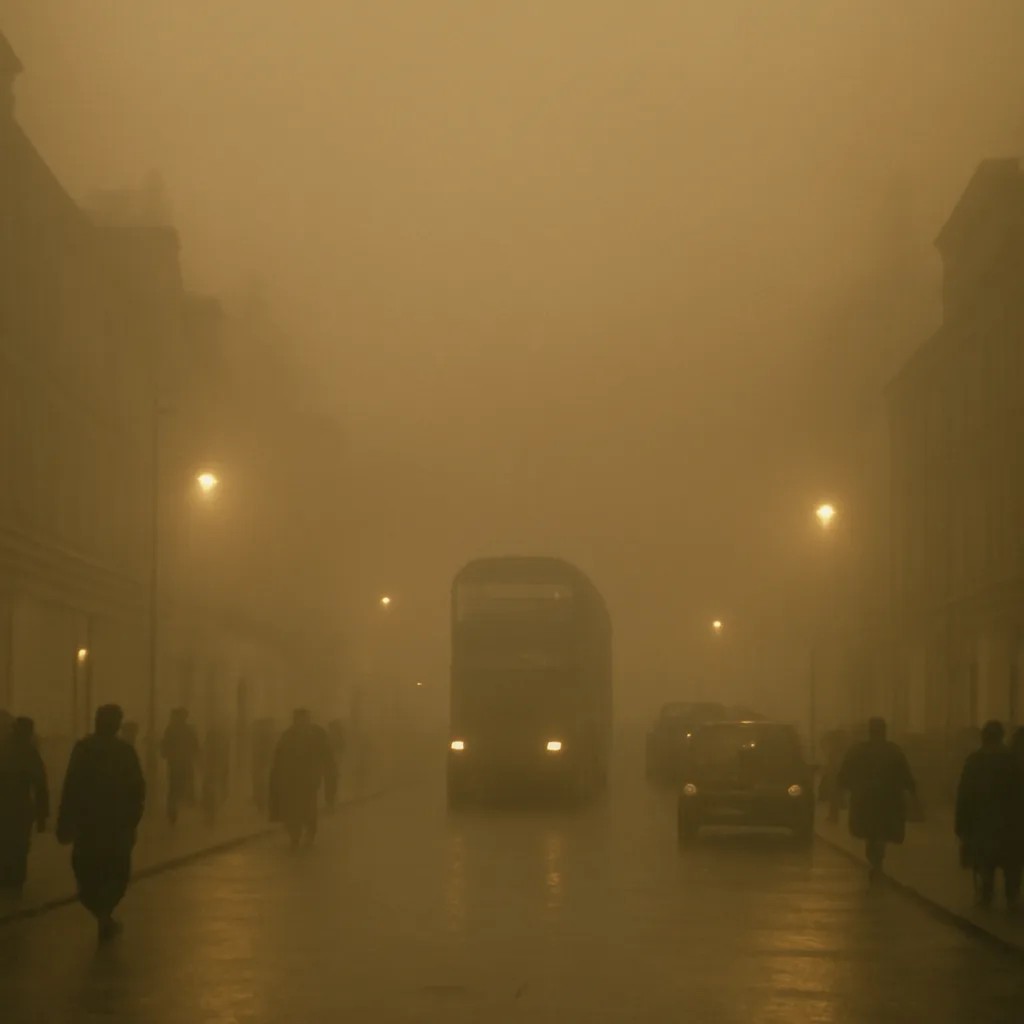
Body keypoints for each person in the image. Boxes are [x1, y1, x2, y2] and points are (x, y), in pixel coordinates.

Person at [57, 704, 145, 942]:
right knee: (116, 874)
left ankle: (103, 916)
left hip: (90, 826)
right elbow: (138, 790)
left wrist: (64, 823)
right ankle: (105, 916)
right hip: (115, 827)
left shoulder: (84, 750)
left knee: (87, 875)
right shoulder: (124, 752)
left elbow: (70, 788)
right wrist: (133, 819)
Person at [837, 717, 917, 881]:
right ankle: (877, 864)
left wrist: (844, 788)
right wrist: (912, 793)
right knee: (880, 832)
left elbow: (845, 772)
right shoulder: (893, 751)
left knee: (871, 832)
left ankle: (876, 864)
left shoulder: (859, 751)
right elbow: (906, 775)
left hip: (865, 801)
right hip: (888, 802)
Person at [956, 720, 1023, 909]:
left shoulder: (974, 760)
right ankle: (1012, 896)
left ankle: (986, 895)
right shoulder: (1012, 760)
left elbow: (964, 795)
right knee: (1012, 862)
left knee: (984, 861)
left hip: (981, 822)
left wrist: (960, 825)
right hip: (1010, 822)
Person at [269, 709, 337, 849]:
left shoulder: (316, 734)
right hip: (292, 779)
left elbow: (327, 756)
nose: (300, 722)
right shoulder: (289, 734)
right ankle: (295, 835)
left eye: (302, 719)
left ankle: (309, 832)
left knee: (308, 806)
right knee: (293, 808)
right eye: (297, 719)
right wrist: (277, 776)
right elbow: (278, 756)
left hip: (309, 779)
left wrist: (329, 779)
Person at [0, 717, 49, 892]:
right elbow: (40, 785)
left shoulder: (4, 749)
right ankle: (15, 883)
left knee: (5, 843)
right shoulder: (29, 752)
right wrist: (42, 815)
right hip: (21, 809)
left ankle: (6, 879)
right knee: (19, 846)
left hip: (4, 808)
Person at [160, 707, 199, 825]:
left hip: (175, 762)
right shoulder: (187, 729)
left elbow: (164, 747)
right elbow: (195, 745)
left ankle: (174, 810)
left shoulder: (170, 729)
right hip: (183, 762)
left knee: (174, 787)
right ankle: (185, 804)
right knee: (182, 784)